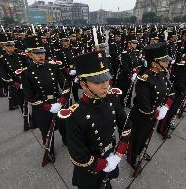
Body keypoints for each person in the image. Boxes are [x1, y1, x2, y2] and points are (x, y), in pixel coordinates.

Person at [59, 51, 131, 189]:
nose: (105, 85)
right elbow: (78, 156)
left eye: (106, 79)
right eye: (98, 81)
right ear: (83, 84)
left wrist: (117, 155)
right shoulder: (75, 114)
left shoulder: (111, 99)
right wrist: (104, 164)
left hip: (111, 155)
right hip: (91, 167)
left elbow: (126, 125)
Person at [21, 34, 70, 165]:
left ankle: (67, 141)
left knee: (65, 126)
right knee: (47, 131)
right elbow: (30, 96)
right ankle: (50, 150)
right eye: (37, 53)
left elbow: (65, 85)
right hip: (42, 107)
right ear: (30, 55)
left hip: (58, 102)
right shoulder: (27, 73)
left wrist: (61, 101)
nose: (41, 55)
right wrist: (48, 107)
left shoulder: (53, 67)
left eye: (42, 52)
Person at [127, 42, 174, 168]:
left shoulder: (162, 74)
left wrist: (166, 106)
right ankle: (132, 158)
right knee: (137, 138)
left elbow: (170, 90)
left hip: (154, 113)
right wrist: (156, 113)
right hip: (142, 116)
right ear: (154, 63)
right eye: (164, 61)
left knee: (145, 136)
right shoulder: (144, 80)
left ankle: (140, 152)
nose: (167, 63)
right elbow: (144, 106)